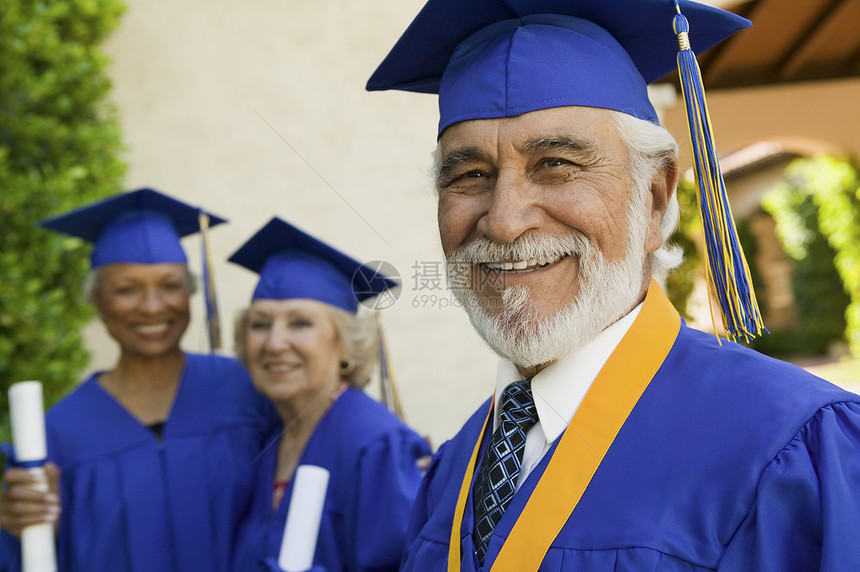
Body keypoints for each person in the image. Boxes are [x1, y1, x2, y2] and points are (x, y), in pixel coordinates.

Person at [366, 0, 860, 569]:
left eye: (556, 164)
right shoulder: (456, 466)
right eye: (470, 175)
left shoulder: (792, 448)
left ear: (654, 199)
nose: (503, 220)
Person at [0, 188, 277, 572]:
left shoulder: (249, 393)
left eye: (170, 285)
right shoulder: (59, 435)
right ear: (97, 302)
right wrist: (20, 530)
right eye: (126, 289)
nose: (151, 306)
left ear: (191, 293)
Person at [228, 217, 432, 572]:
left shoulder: (377, 446)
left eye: (300, 323)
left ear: (346, 346)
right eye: (260, 324)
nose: (275, 343)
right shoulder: (267, 437)